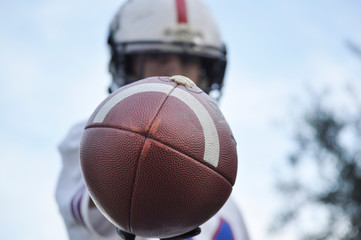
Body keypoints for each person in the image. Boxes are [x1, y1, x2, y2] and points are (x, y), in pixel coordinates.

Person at [55, 0, 250, 239]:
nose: (175, 71)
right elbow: (95, 202)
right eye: (158, 55)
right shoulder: (92, 134)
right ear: (127, 65)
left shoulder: (229, 209)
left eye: (189, 60)